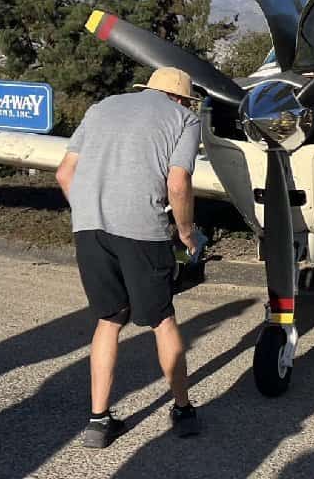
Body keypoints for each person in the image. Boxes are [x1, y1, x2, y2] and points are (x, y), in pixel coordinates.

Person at [55, 66, 204, 447]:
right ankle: (183, 410)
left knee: (108, 320)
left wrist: (88, 212)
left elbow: (65, 174)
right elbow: (178, 181)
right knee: (162, 320)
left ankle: (98, 422)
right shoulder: (184, 118)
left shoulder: (101, 107)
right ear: (181, 98)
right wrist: (186, 233)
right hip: (141, 229)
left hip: (88, 226)